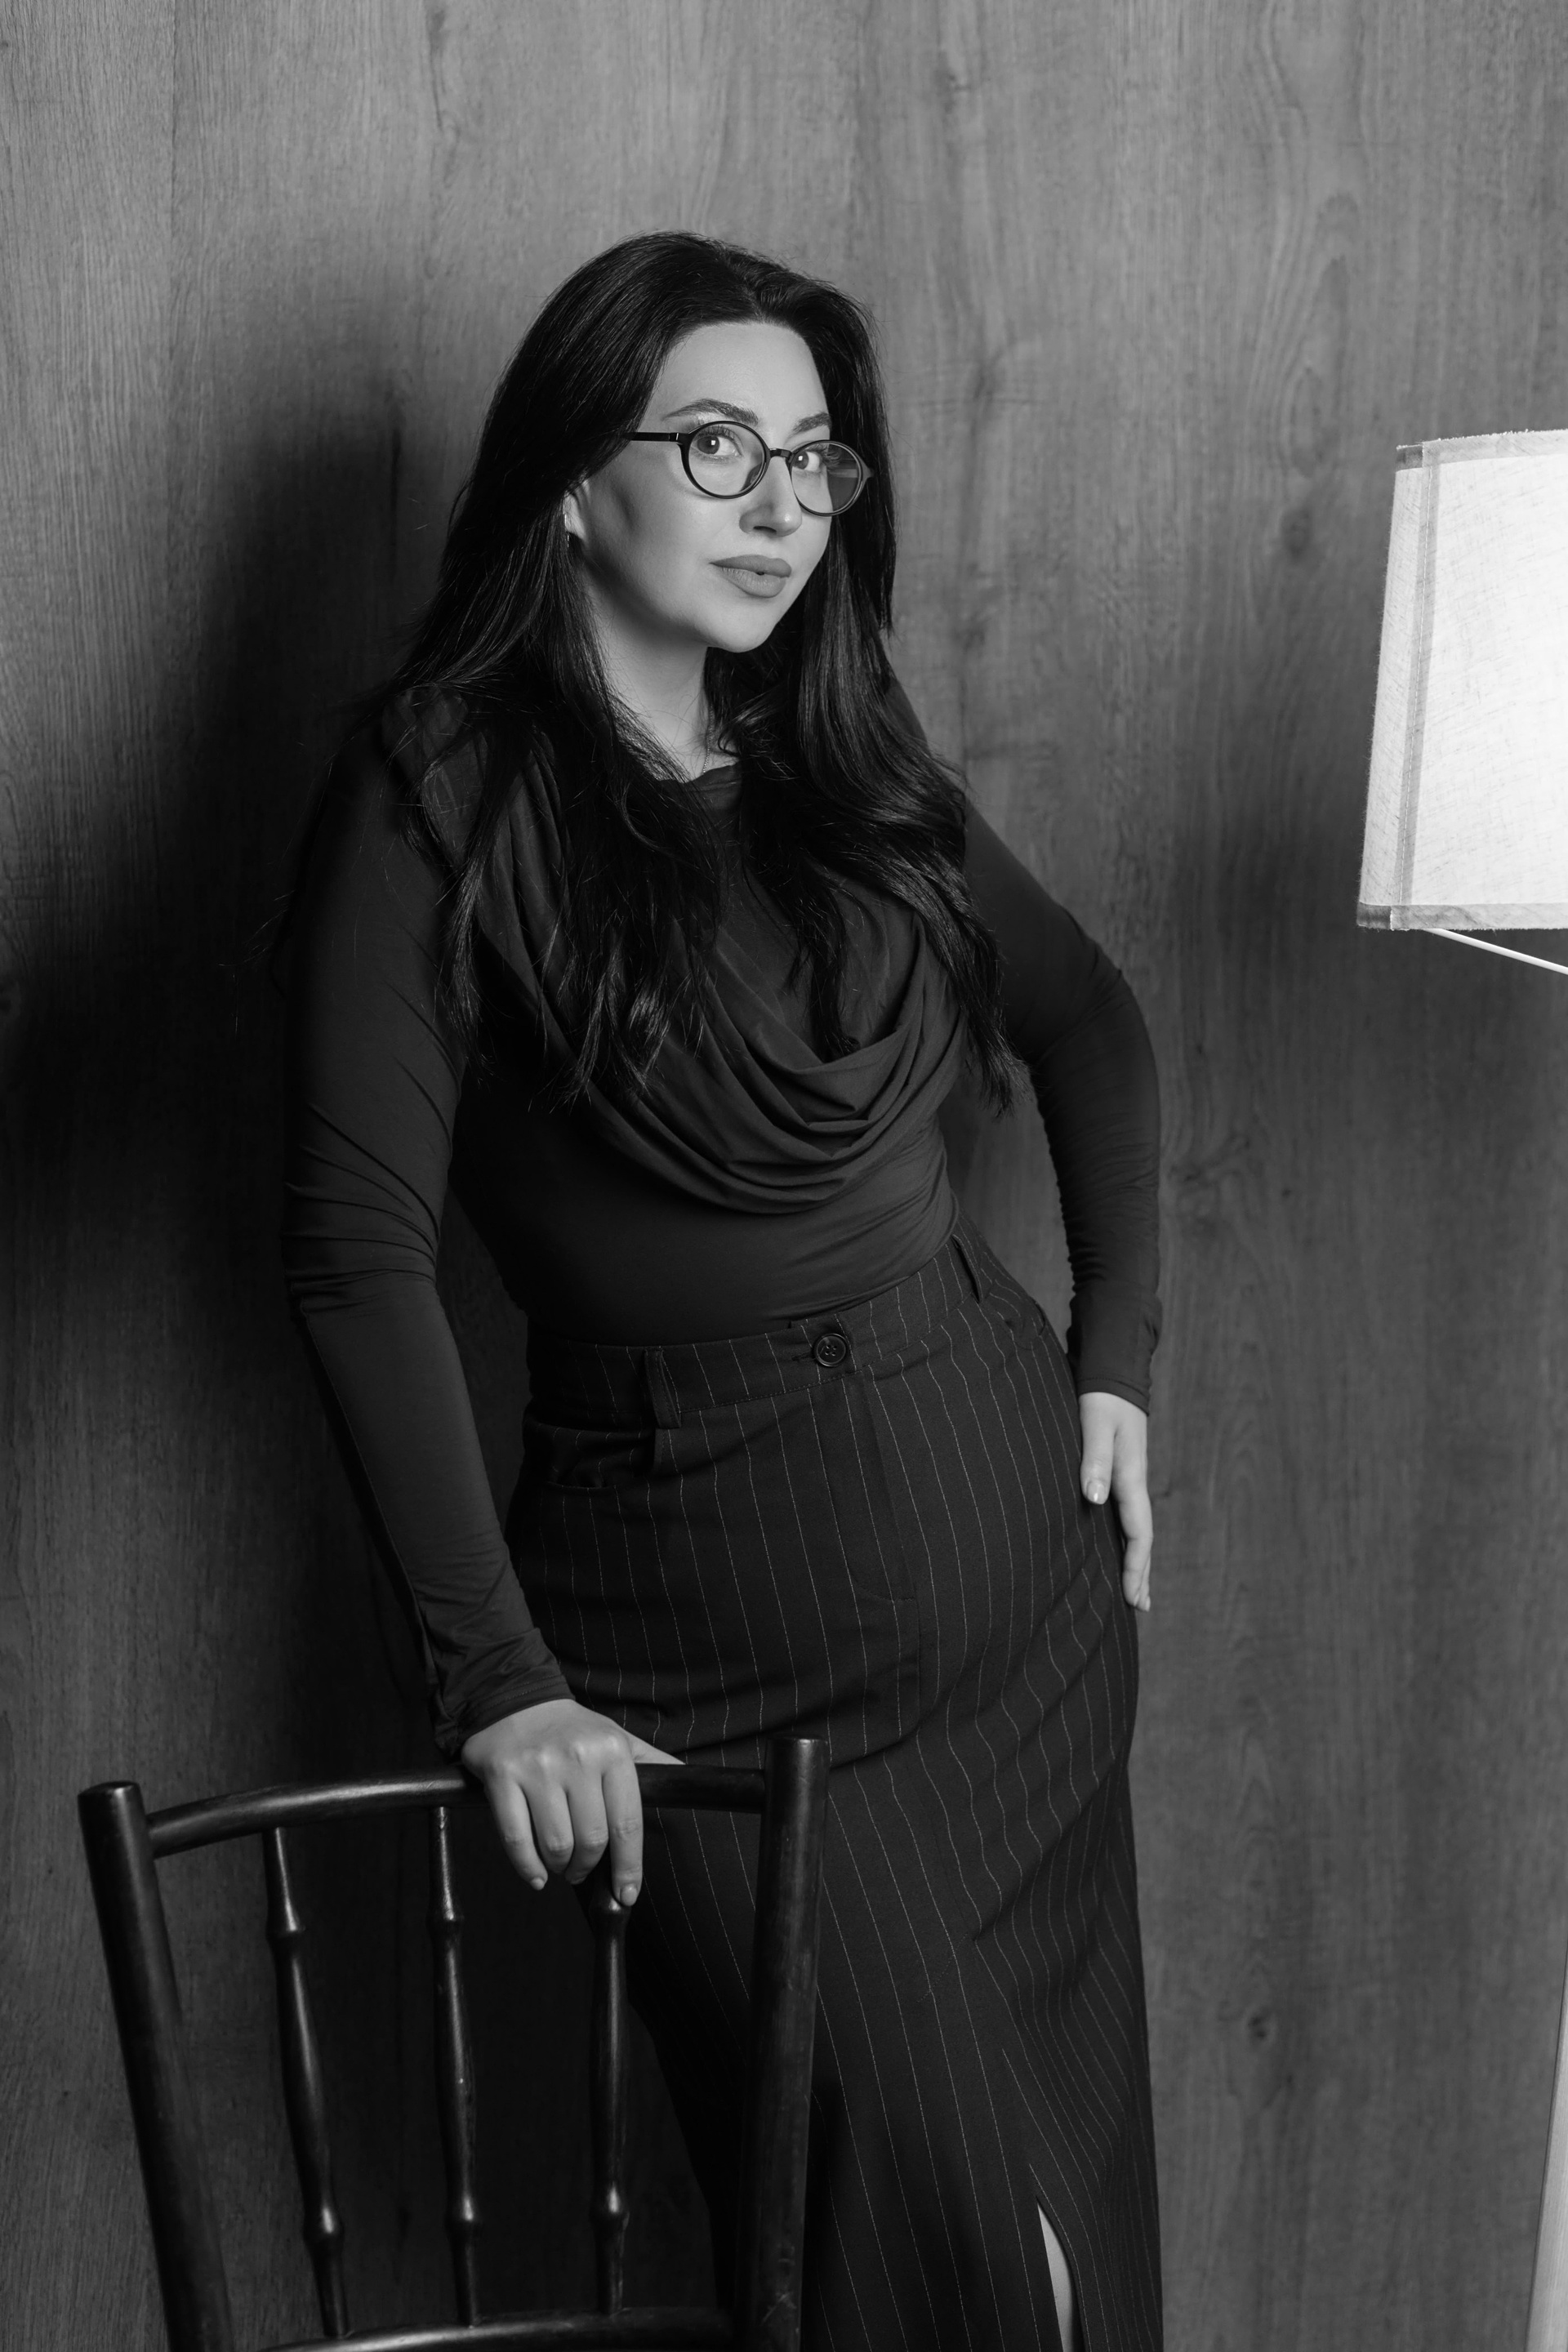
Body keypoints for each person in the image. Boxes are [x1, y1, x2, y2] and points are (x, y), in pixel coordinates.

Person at [282, 230, 1162, 2352]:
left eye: (814, 459)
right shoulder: (436, 796)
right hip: (715, 1656)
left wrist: (1116, 1357)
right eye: (714, 447)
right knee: (959, 2277)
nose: (781, 506)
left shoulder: (840, 757)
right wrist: (498, 1678)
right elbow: (353, 1255)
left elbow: (1093, 1023)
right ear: (574, 480)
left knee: (1076, 2273)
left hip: (1026, 1625)